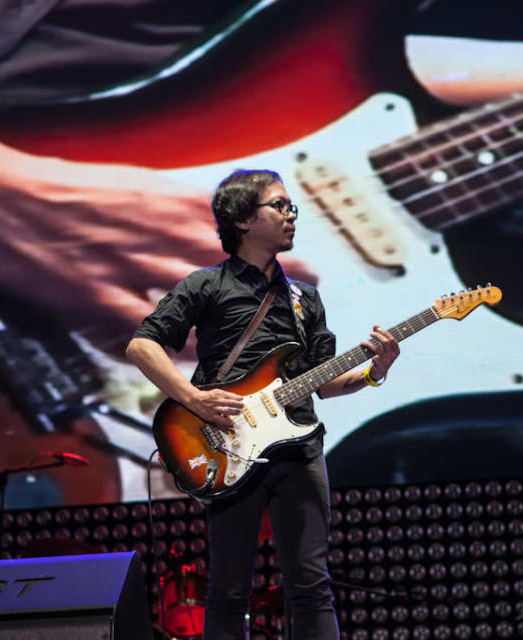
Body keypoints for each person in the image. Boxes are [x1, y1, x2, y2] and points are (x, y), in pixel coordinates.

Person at [125, 169, 401, 639]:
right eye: (280, 205)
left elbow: (326, 382)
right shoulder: (205, 286)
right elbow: (141, 346)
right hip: (228, 446)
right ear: (243, 219)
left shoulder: (304, 299)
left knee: (312, 585)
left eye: (293, 206)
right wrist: (193, 398)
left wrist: (377, 369)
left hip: (300, 448)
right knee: (228, 589)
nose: (292, 215)